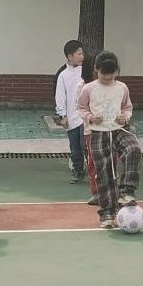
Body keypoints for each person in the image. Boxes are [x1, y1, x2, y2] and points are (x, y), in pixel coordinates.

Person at [77, 52, 143, 229]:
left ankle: (126, 191)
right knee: (105, 173)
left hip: (120, 129)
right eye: (103, 73)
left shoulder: (122, 87)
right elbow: (80, 108)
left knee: (133, 149)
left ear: (117, 71)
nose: (107, 77)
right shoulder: (89, 88)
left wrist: (125, 117)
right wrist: (90, 117)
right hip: (99, 134)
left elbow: (127, 107)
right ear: (96, 70)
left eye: (111, 73)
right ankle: (107, 213)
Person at [55, 40, 88, 183]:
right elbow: (60, 96)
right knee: (74, 146)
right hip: (71, 117)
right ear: (69, 56)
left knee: (85, 145)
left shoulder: (85, 72)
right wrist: (62, 115)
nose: (82, 57)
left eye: (82, 54)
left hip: (85, 116)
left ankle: (93, 170)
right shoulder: (63, 75)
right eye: (78, 54)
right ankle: (78, 170)